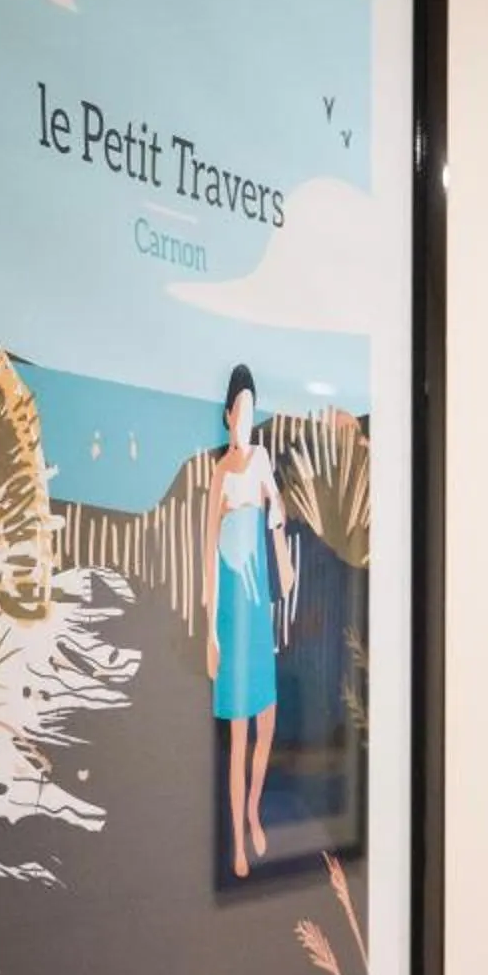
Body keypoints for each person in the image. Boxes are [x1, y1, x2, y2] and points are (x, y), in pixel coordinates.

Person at [204, 363, 294, 878]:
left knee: (268, 723)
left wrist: (283, 558)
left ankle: (254, 807)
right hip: (232, 614)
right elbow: (207, 554)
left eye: (251, 412)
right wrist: (210, 633)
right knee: (238, 736)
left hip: (258, 611)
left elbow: (275, 511)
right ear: (226, 416)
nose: (245, 420)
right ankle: (238, 842)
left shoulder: (260, 461)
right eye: (239, 412)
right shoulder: (220, 474)